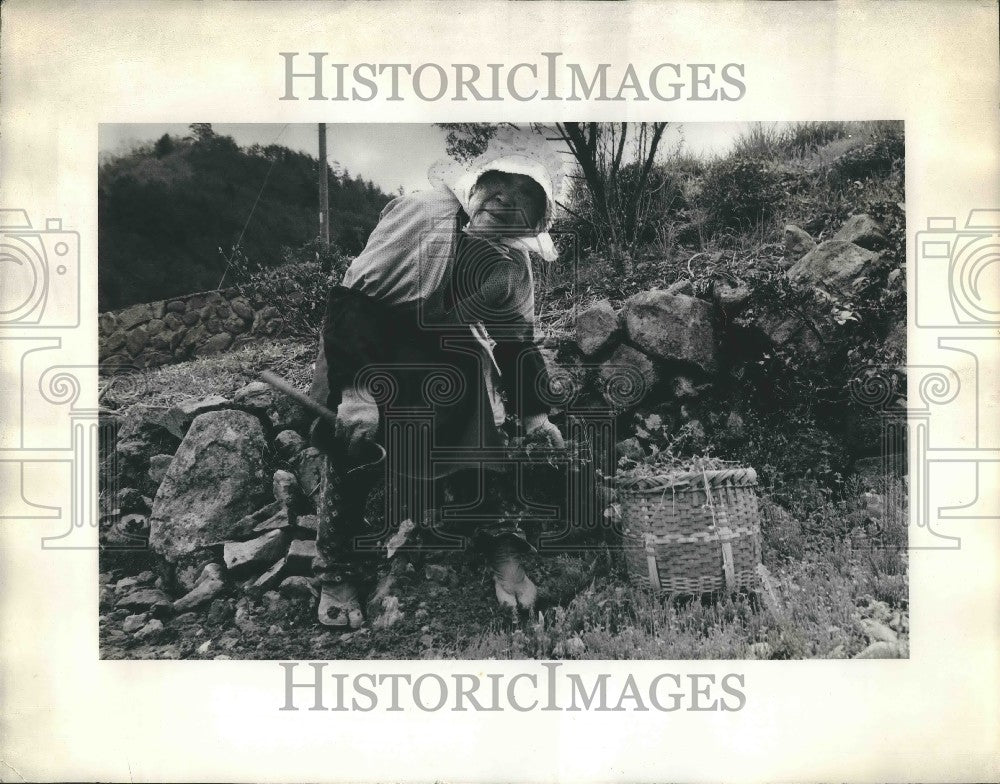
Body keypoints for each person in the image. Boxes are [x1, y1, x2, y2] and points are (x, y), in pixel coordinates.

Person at [307, 129, 566, 628]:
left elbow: (516, 344)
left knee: (474, 391)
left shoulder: (510, 267)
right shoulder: (424, 215)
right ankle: (338, 571)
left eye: (521, 196)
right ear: (474, 186)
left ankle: (504, 555)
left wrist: (536, 417)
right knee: (356, 441)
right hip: (364, 342)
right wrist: (358, 394)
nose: (501, 199)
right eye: (496, 184)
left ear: (533, 222)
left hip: (436, 356)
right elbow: (355, 303)